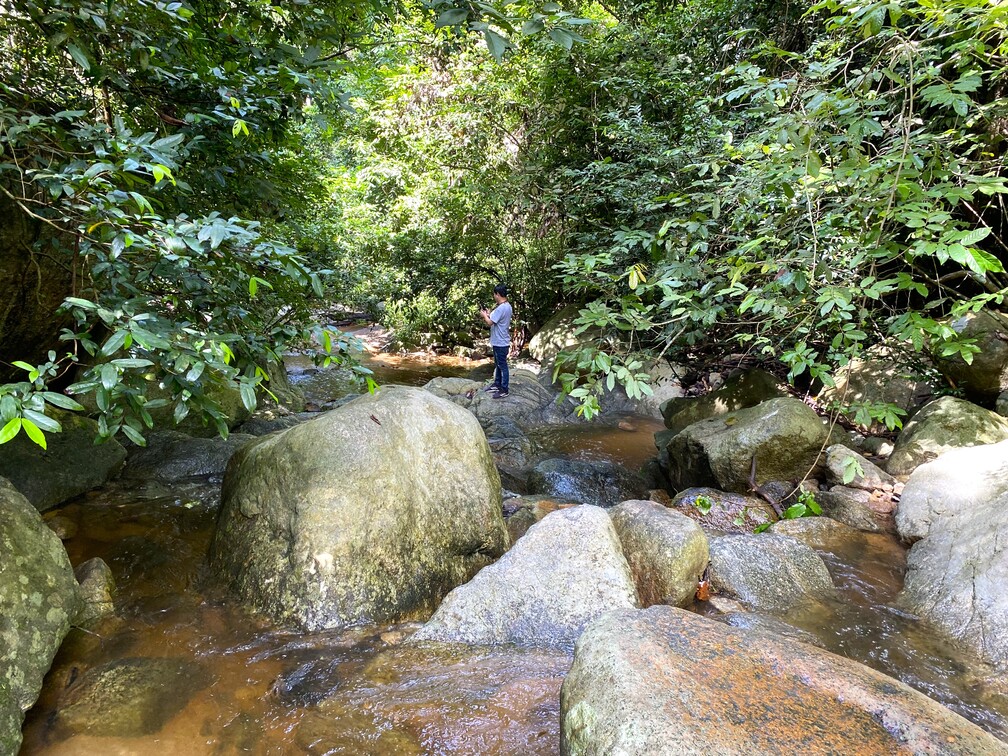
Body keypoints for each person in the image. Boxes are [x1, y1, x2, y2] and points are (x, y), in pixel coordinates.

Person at [480, 284, 512, 398]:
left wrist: (484, 316)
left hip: (500, 342)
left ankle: (504, 389)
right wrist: (489, 314)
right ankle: (497, 384)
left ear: (498, 294)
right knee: (498, 364)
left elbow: (490, 323)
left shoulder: (502, 308)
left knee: (502, 365)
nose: (494, 296)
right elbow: (496, 319)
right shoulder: (507, 306)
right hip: (501, 341)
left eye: (494, 294)